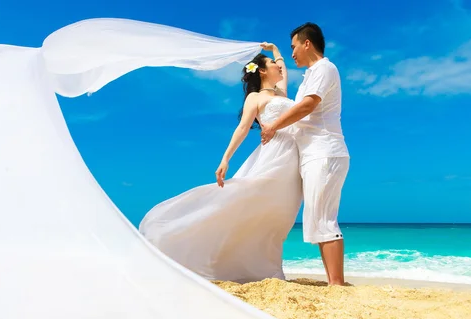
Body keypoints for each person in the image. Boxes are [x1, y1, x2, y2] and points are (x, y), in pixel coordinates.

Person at [139, 44, 303, 283]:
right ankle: (181, 240)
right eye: (271, 64)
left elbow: (284, 69)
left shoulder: (281, 94)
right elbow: (243, 128)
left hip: (293, 158)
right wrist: (225, 158)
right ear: (262, 72)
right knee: (252, 202)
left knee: (281, 215)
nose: (278, 66)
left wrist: (276, 50)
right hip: (274, 155)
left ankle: (266, 268)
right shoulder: (255, 98)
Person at [260, 23, 350, 286]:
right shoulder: (312, 73)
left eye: (293, 47)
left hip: (325, 151)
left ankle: (336, 284)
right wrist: (274, 49)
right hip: (315, 153)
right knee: (317, 218)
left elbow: (308, 106)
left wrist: (273, 126)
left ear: (307, 43)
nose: (292, 54)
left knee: (324, 218)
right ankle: (335, 282)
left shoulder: (324, 68)